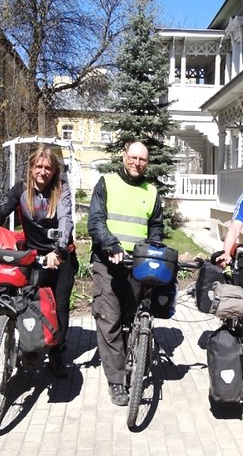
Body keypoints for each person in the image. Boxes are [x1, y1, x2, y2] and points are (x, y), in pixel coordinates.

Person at [0, 145, 77, 378]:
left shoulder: (61, 189)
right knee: (28, 301)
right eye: (39, 166)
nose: (43, 172)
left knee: (59, 304)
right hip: (34, 255)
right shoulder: (20, 190)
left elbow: (66, 220)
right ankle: (31, 345)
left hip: (60, 254)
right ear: (31, 167)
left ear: (54, 171)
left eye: (48, 168)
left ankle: (57, 354)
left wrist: (58, 251)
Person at [87, 140, 164, 406]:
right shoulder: (106, 183)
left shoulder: (152, 191)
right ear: (124, 156)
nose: (137, 163)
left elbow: (156, 227)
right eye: (133, 157)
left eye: (142, 159)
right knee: (110, 320)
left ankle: (136, 357)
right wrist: (110, 244)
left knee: (134, 317)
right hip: (107, 262)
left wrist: (153, 248)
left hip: (138, 264)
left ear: (147, 162)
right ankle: (117, 382)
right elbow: (95, 220)